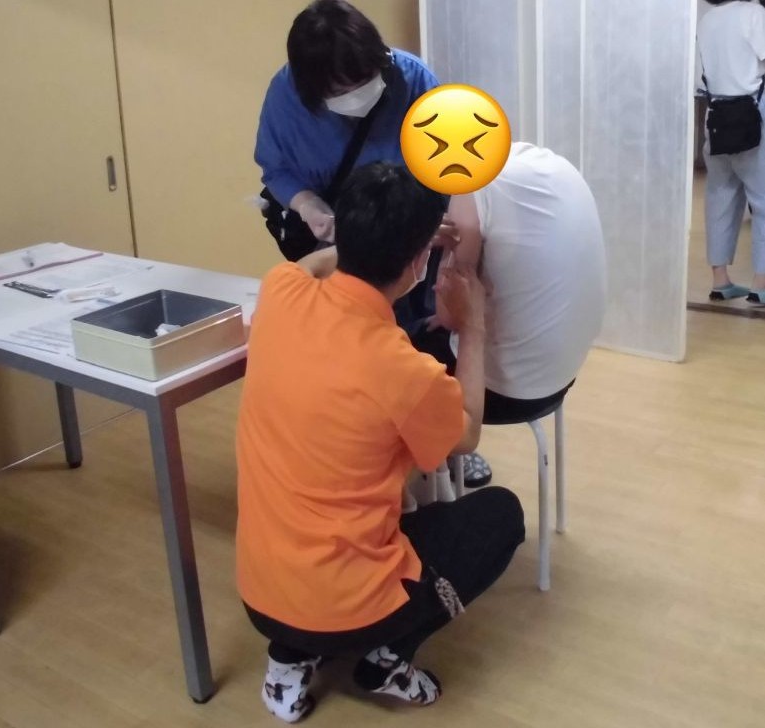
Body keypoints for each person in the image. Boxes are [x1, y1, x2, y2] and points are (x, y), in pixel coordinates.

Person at [236, 162, 525, 723]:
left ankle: (287, 664)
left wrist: (374, 240)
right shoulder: (402, 370)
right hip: (346, 607)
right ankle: (387, 658)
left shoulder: (280, 291)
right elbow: (467, 433)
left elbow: (310, 265)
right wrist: (474, 326)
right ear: (418, 264)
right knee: (500, 516)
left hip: (261, 592)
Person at [255, 0, 492, 486]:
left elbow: (457, 173)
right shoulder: (285, 98)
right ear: (312, 88)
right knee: (359, 354)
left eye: (367, 77)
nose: (358, 93)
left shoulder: (413, 80)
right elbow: (275, 169)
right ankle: (380, 446)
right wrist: (308, 207)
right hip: (342, 239)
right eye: (342, 89)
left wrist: (451, 264)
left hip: (403, 232)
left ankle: (433, 444)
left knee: (421, 338)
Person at [420, 142, 606, 423]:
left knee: (393, 356)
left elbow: (448, 315)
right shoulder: (554, 164)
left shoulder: (471, 182)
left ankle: (424, 449)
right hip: (563, 375)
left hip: (501, 393)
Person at [697, 0, 765, 303]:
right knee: (763, 201)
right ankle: (761, 284)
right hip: (753, 115)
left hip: (716, 117)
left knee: (719, 196)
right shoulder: (754, 14)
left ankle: (720, 281)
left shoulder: (707, 20)